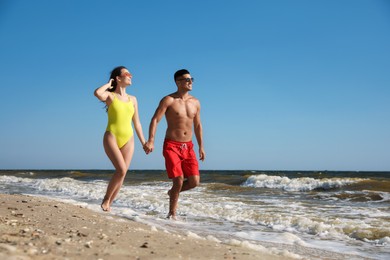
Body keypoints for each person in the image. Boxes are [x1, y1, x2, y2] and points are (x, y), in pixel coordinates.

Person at [144, 69, 205, 219]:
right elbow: (155, 120)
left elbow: (198, 125)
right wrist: (151, 140)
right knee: (178, 179)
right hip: (171, 145)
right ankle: (172, 213)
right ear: (178, 82)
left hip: (188, 146)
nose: (190, 82)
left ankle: (172, 192)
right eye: (187, 79)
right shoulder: (168, 100)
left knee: (194, 182)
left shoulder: (195, 102)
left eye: (192, 79)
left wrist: (201, 146)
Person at [94, 66, 146, 212]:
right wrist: (109, 84)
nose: (131, 76)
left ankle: (109, 203)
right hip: (111, 135)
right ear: (118, 78)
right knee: (121, 170)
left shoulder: (133, 99)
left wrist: (144, 142)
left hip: (128, 138)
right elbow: (98, 93)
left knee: (123, 174)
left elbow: (137, 123)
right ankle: (106, 199)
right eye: (127, 74)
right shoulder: (110, 97)